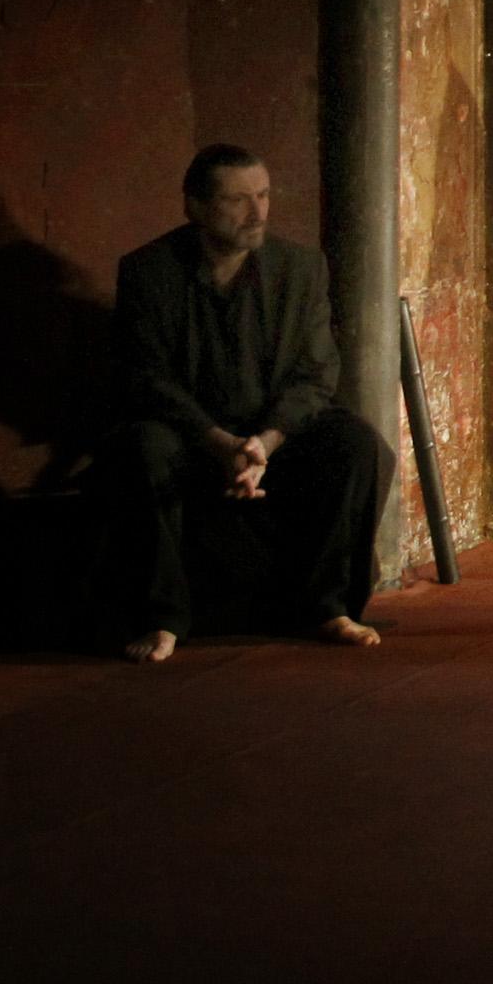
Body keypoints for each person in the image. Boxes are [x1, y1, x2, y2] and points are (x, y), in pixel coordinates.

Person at [109, 145, 387, 662]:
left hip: (271, 434)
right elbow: (146, 377)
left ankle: (327, 606)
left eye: (262, 195)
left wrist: (264, 441)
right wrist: (221, 443)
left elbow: (316, 373)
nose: (257, 212)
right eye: (237, 200)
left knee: (356, 444)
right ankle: (164, 617)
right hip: (192, 434)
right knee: (145, 448)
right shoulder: (149, 272)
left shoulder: (300, 269)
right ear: (195, 206)